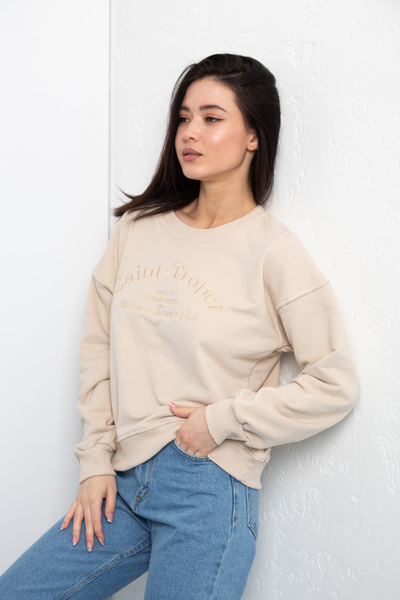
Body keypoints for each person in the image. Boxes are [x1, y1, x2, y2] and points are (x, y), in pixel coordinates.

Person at [0, 53, 358, 600]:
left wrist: (222, 419)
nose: (189, 133)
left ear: (253, 136)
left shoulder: (274, 253)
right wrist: (95, 462)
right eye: (184, 118)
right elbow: (98, 348)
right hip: (121, 484)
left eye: (212, 118)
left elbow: (335, 384)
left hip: (207, 490)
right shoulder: (138, 230)